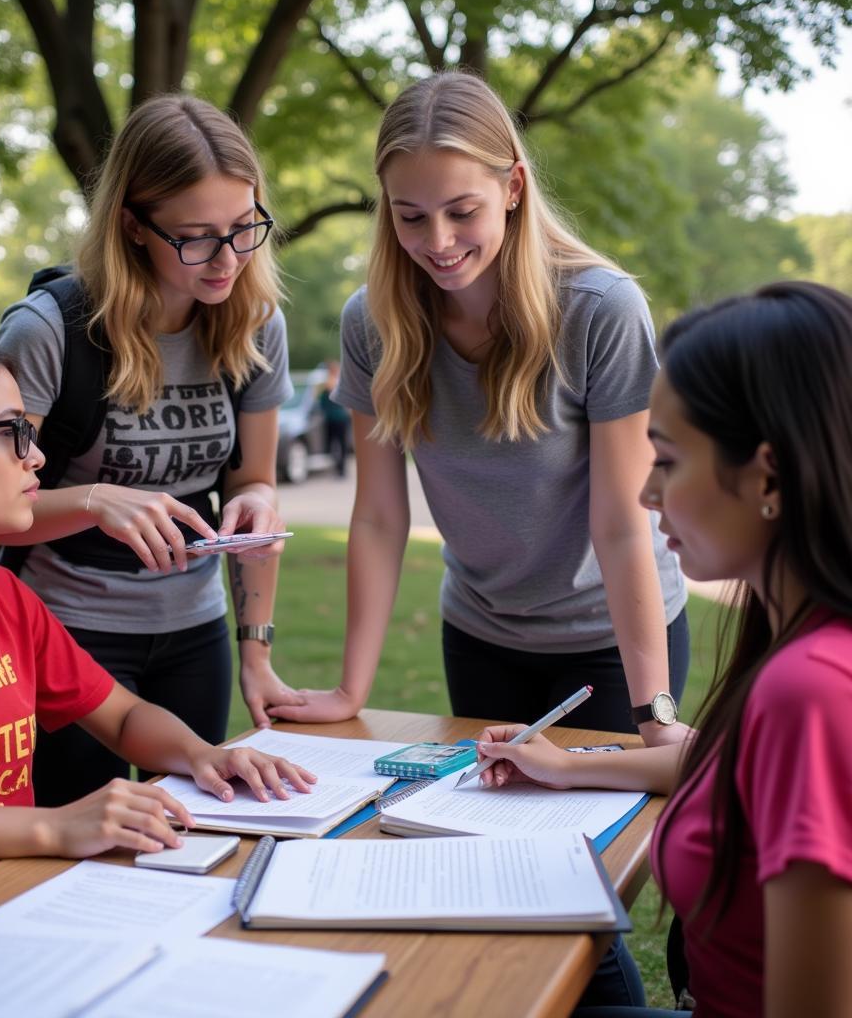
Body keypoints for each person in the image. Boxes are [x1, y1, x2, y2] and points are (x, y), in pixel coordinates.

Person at [0, 329, 315, 959]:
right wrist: (53, 826)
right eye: (13, 434)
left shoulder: (0, 594)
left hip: (12, 918)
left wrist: (203, 756)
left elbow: (125, 715)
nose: (36, 458)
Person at [269, 72, 688, 748]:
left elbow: (620, 522)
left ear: (513, 188)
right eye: (411, 216)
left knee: (591, 845)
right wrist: (352, 690)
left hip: (610, 640)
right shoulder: (371, 324)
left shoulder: (601, 310)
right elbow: (377, 517)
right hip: (480, 632)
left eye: (463, 211)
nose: (438, 241)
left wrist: (655, 718)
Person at [478, 282, 852, 1017]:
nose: (647, 494)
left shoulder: (809, 690)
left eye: (669, 461)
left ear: (766, 474)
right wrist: (560, 767)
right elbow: (734, 761)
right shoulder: (803, 647)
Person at [0, 95, 306, 807]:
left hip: (195, 632)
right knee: (76, 845)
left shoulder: (256, 324)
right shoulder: (49, 334)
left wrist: (255, 644)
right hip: (65, 633)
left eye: (244, 228)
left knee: (188, 828)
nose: (227, 259)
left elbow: (253, 483)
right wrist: (94, 501)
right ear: (132, 225)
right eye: (196, 237)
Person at [317, 360, 351, 476]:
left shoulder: (331, 384)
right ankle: (339, 468)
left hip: (337, 419)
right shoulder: (331, 384)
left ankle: (340, 468)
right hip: (336, 419)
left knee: (337, 443)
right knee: (337, 444)